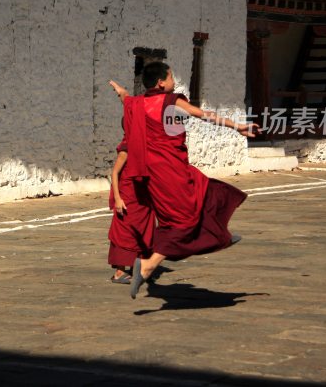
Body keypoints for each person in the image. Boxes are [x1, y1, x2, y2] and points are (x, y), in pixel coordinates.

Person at [109, 62, 257, 299]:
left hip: (155, 175)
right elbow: (203, 115)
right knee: (184, 220)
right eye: (170, 77)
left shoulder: (136, 104)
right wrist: (236, 126)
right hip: (171, 172)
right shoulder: (169, 101)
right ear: (161, 83)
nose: (173, 81)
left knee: (208, 191)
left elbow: (126, 99)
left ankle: (221, 235)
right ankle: (148, 265)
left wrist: (122, 92)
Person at [107, 143, 154, 284]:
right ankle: (119, 272)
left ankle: (137, 268)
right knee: (125, 231)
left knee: (142, 230)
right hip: (128, 197)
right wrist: (117, 198)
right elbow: (115, 173)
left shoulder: (145, 146)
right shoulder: (126, 149)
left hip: (142, 197)